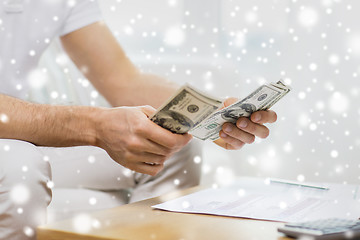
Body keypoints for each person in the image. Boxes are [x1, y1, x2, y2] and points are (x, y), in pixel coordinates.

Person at [0, 0, 277, 239]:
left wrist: (212, 116)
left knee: (170, 144)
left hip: (22, 132)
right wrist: (94, 125)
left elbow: (124, 80)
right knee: (21, 166)